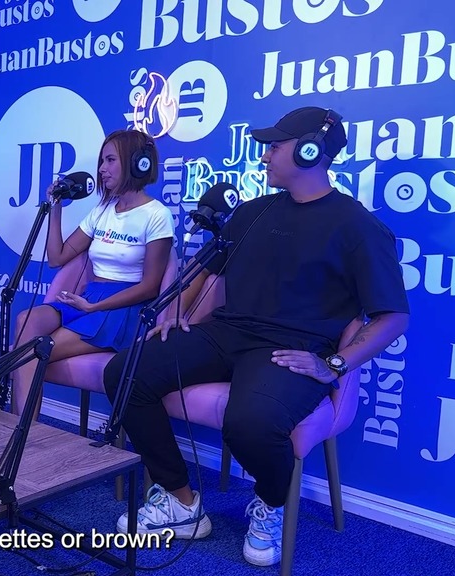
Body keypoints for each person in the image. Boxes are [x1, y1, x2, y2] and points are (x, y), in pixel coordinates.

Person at [104, 107, 410, 567]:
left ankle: (270, 502)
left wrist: (334, 364)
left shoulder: (358, 227)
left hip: (294, 349)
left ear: (310, 152)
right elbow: (206, 274)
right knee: (125, 373)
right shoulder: (251, 213)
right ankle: (182, 502)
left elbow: (393, 318)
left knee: (250, 423)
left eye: (275, 147)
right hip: (228, 333)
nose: (265, 156)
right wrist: (176, 314)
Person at [10, 129, 175, 416]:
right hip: (89, 299)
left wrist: (97, 306)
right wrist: (56, 208)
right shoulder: (103, 210)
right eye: (101, 161)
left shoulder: (157, 215)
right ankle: (20, 429)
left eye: (110, 160)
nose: (101, 169)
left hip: (123, 309)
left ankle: (23, 432)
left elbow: (151, 286)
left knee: (36, 349)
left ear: (136, 163)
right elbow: (57, 257)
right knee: (26, 320)